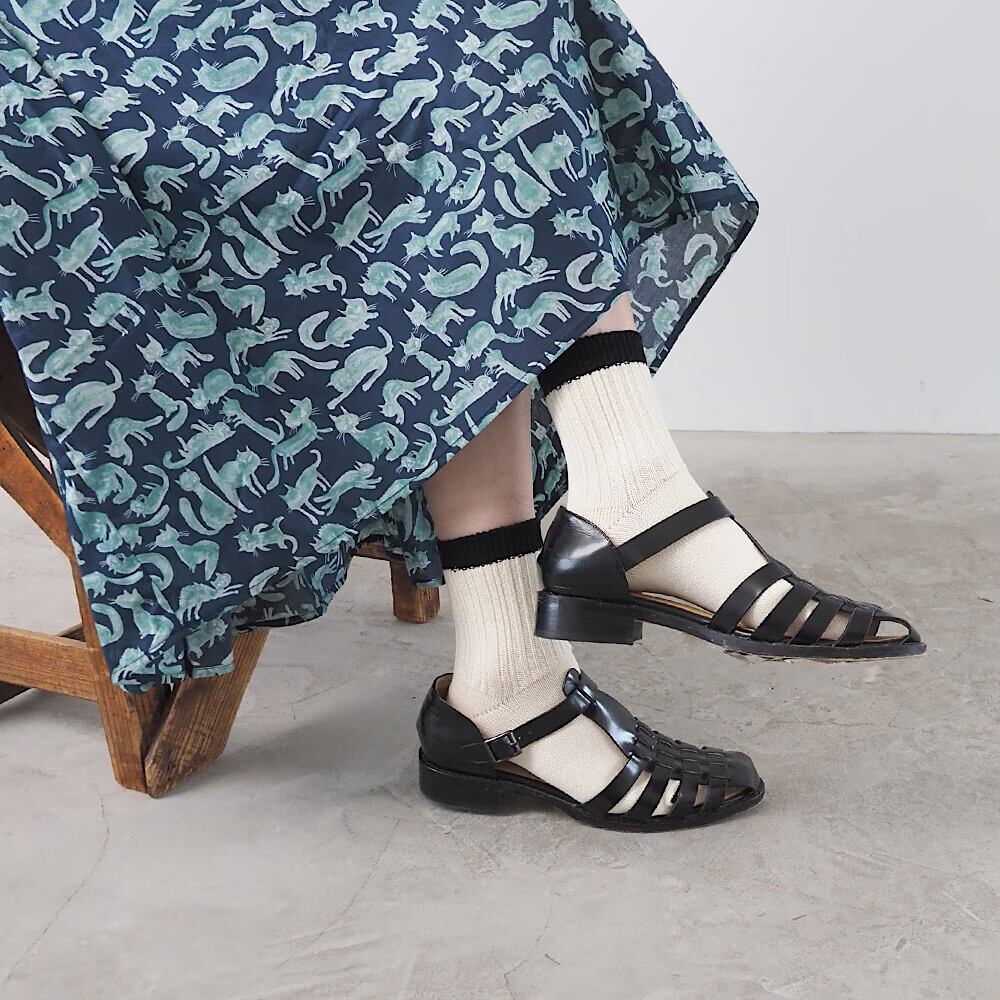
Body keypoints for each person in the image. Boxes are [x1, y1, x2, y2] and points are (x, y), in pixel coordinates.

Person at [0, 1, 921, 831]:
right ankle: (612, 544)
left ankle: (523, 657)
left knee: (487, 28)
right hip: (60, 77)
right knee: (452, 56)